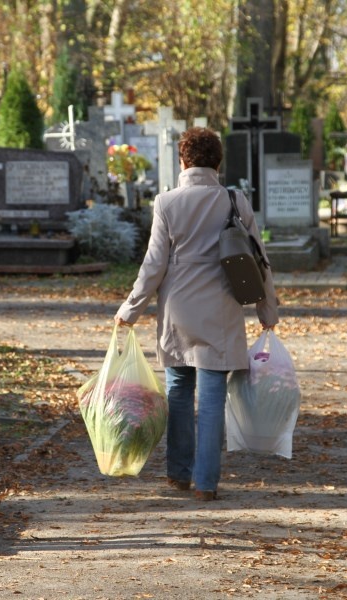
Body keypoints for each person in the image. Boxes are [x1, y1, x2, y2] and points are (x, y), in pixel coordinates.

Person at [114, 127, 279, 501]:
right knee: (211, 398)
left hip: (177, 310)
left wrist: (131, 308)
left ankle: (178, 474)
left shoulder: (167, 202)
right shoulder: (236, 200)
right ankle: (206, 484)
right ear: (218, 163)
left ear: (183, 161)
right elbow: (260, 261)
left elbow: (154, 265)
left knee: (178, 390)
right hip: (221, 307)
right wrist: (266, 309)